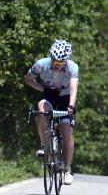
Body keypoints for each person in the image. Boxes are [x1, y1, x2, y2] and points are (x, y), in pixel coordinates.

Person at [25, 39, 79, 184]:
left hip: (66, 99)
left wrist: (71, 106)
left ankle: (67, 169)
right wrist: (43, 89)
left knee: (66, 132)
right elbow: (28, 79)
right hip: (49, 95)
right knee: (41, 107)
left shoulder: (73, 67)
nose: (56, 65)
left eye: (60, 63)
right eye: (54, 61)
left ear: (66, 61)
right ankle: (44, 145)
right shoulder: (41, 64)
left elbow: (74, 87)